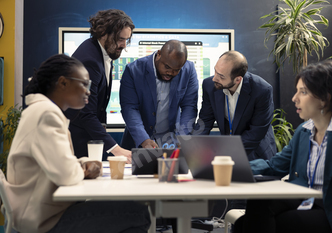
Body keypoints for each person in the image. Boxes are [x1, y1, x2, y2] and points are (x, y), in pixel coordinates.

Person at [6, 54, 150, 233]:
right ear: (63, 83)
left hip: (42, 212)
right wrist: (83, 168)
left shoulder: (41, 110)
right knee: (138, 213)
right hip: (44, 221)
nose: (89, 91)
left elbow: (57, 163)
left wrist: (83, 164)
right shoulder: (46, 114)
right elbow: (66, 175)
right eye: (84, 84)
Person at [234, 60, 332, 233]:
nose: (294, 98)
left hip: (331, 206)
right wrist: (234, 169)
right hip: (302, 198)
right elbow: (274, 166)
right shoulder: (303, 132)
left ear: (325, 97)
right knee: (250, 212)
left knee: (282, 223)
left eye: (302, 92)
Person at [64, 9, 134, 161]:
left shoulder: (102, 52)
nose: (124, 45)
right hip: (78, 141)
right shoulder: (89, 61)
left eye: (126, 40)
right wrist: (117, 149)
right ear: (103, 33)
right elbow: (86, 113)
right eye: (120, 39)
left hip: (90, 139)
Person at [193, 51, 276, 161]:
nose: (214, 78)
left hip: (256, 154)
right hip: (228, 154)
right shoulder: (210, 85)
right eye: (215, 71)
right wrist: (194, 147)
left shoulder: (262, 90)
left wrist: (227, 152)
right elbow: (205, 121)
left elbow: (256, 132)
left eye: (221, 76)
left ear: (238, 79)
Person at [119, 39, 198, 149]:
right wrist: (144, 139)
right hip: (138, 142)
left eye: (176, 70)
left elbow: (189, 106)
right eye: (167, 67)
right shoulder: (133, 70)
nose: (170, 73)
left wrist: (182, 137)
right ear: (159, 54)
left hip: (172, 143)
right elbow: (130, 108)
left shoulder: (188, 70)